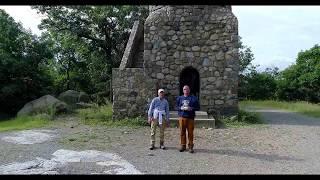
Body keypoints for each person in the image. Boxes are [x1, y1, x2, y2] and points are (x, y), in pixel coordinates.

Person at [175, 85, 200, 153]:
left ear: (189, 90)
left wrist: (191, 108)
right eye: (184, 89)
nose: (185, 90)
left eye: (187, 89)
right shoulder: (179, 98)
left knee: (190, 133)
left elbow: (198, 107)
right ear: (183, 90)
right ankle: (183, 145)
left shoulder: (193, 98)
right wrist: (180, 108)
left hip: (190, 118)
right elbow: (176, 107)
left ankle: (190, 147)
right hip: (182, 117)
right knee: (182, 132)